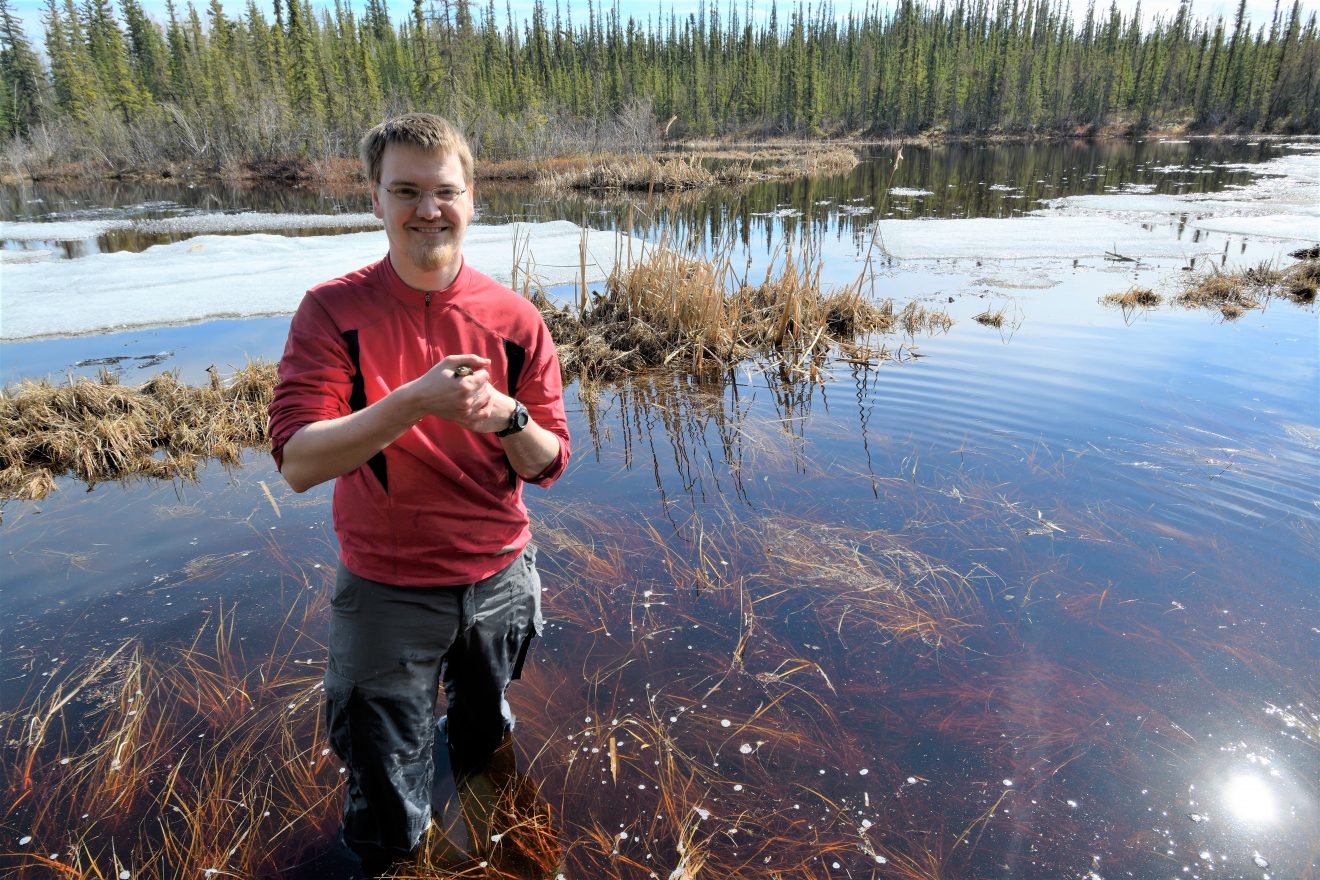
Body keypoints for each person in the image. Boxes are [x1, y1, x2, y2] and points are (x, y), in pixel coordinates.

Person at [267, 113, 571, 875]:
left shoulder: (515, 320)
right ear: (375, 199)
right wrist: (411, 402)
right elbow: (299, 462)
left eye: (444, 190)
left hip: (501, 579)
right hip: (386, 593)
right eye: (405, 190)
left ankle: (489, 840)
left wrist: (510, 416)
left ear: (472, 197)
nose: (427, 209)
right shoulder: (331, 313)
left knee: (483, 741)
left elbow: (549, 463)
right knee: (384, 792)